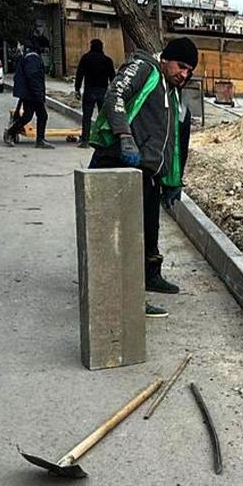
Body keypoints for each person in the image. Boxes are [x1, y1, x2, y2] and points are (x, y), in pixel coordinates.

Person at [88, 36, 199, 318]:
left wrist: (172, 181)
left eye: (189, 71)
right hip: (117, 164)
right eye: (181, 66)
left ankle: (149, 277)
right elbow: (115, 96)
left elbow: (172, 141)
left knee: (147, 231)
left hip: (146, 173)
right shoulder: (143, 69)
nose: (184, 74)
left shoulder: (173, 93)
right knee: (122, 237)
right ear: (165, 59)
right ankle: (125, 296)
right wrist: (125, 136)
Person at [5, 35, 52, 149]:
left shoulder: (29, 55)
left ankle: (11, 133)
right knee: (42, 115)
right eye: (45, 48)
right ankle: (38, 140)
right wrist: (38, 94)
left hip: (28, 92)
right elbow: (32, 77)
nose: (45, 51)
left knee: (28, 116)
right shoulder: (33, 58)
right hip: (32, 93)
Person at [74, 39, 115, 149]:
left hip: (89, 90)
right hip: (103, 91)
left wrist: (77, 89)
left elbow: (79, 74)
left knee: (87, 116)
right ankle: (101, 140)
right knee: (103, 117)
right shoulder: (107, 60)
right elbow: (113, 77)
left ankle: (85, 140)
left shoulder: (86, 58)